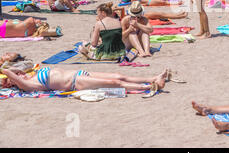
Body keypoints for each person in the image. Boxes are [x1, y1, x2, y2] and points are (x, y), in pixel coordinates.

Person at [1, 62, 169, 92]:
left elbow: (16, 67)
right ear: (10, 83)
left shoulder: (31, 75)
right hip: (75, 82)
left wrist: (15, 72)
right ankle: (151, 87)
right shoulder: (24, 85)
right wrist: (6, 75)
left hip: (80, 73)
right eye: (13, 77)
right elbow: (7, 70)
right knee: (114, 82)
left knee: (119, 75)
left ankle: (153, 78)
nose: (18, 74)